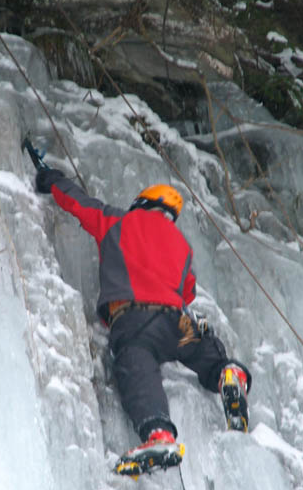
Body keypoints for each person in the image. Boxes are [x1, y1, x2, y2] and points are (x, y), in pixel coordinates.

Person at [24, 141, 252, 472]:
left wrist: (51, 179)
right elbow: (187, 291)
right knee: (203, 351)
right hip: (178, 319)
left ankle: (159, 435)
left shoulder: (117, 220)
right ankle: (228, 374)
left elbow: (78, 202)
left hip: (135, 319)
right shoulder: (181, 244)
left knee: (136, 366)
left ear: (141, 204)